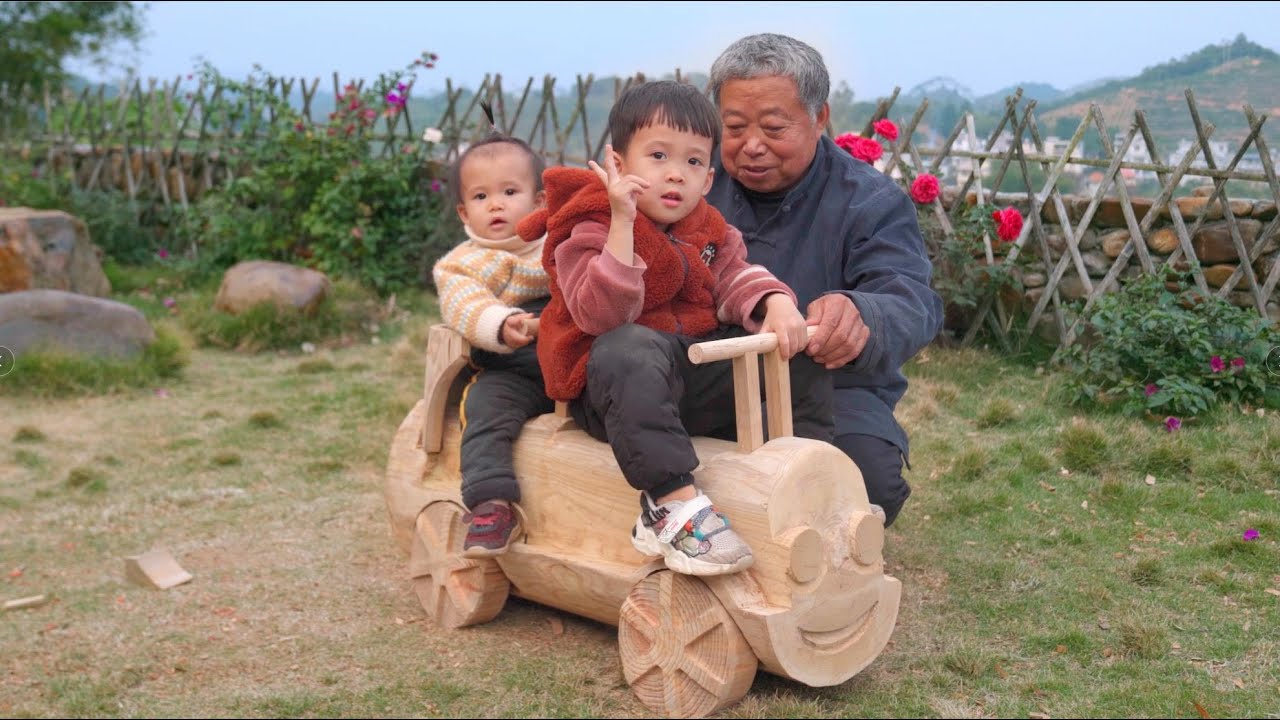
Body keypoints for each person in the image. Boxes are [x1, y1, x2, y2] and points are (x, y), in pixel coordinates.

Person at [517, 80, 833, 576]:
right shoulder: (588, 227)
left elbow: (734, 276)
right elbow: (600, 315)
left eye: (691, 162)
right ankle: (669, 503)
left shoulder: (707, 228)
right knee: (627, 345)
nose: (674, 175)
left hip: (685, 371)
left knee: (795, 350)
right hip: (609, 389)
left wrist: (774, 302)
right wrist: (622, 223)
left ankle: (805, 480)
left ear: (708, 179)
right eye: (658, 156)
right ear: (620, 165)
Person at [704, 33, 944, 527]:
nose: (752, 146)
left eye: (774, 127)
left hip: (831, 386)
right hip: (707, 373)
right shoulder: (692, 184)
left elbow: (914, 301)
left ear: (820, 118)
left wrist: (863, 313)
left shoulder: (871, 202)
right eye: (734, 126)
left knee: (865, 483)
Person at [432, 122, 553, 557]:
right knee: (483, 411)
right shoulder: (464, 263)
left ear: (540, 200)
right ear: (465, 213)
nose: (495, 205)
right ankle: (491, 503)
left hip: (572, 361)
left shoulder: (561, 244)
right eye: (481, 197)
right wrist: (501, 324)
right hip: (511, 368)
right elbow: (463, 304)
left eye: (509, 192)